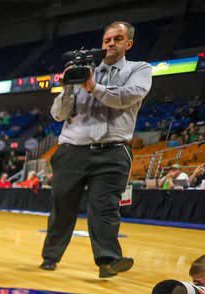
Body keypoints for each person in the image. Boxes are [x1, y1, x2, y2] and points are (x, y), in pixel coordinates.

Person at [41, 21, 152, 278]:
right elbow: (58, 115)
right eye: (107, 39)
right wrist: (68, 86)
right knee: (62, 205)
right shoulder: (82, 72)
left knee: (105, 207)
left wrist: (92, 87)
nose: (111, 43)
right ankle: (51, 256)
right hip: (72, 149)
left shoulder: (139, 70)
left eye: (117, 39)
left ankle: (108, 262)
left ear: (129, 43)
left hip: (113, 151)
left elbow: (125, 97)